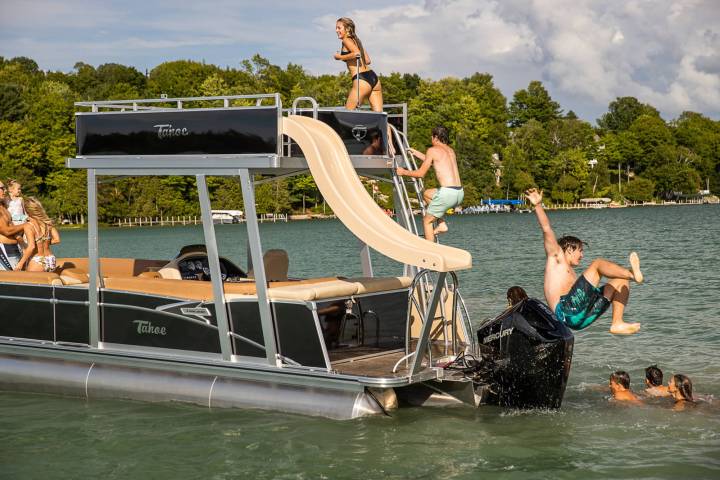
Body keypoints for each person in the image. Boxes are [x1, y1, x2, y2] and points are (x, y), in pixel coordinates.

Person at [525, 188, 644, 335]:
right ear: (569, 249)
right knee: (597, 264)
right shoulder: (556, 257)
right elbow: (546, 228)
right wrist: (537, 205)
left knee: (620, 280)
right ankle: (632, 274)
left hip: (579, 318)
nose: (582, 255)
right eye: (580, 250)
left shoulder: (571, 273)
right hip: (566, 311)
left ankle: (617, 323)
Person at [397, 126, 464, 242]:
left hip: (447, 194)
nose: (430, 138)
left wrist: (403, 172)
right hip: (459, 192)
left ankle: (430, 251)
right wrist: (417, 154)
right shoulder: (450, 151)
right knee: (427, 194)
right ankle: (442, 224)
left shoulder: (432, 150)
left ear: (436, 137)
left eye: (431, 136)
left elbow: (420, 174)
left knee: (426, 221)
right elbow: (437, 163)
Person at [334, 17, 384, 112]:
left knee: (348, 115)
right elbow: (368, 60)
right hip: (373, 78)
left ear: (347, 29)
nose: (336, 30)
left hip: (361, 80)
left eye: (339, 28)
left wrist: (339, 57)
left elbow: (357, 53)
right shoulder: (357, 41)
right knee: (380, 118)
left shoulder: (346, 40)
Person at [14, 197, 60, 272]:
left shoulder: (28, 225)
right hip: (51, 259)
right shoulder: (47, 222)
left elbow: (31, 247)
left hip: (38, 260)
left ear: (26, 210)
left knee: (29, 282)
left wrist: (20, 264)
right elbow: (57, 240)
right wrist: (44, 241)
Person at [0, 181, 26, 270]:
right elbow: (6, 231)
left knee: (20, 277)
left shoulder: (3, 207)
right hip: (3, 250)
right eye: (2, 188)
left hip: (15, 248)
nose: (5, 191)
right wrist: (26, 225)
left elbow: (12, 225)